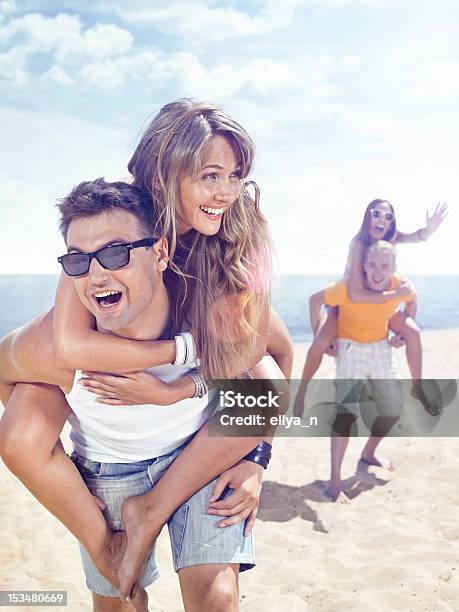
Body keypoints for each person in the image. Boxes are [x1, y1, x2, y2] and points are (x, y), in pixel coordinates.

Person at [0, 100, 292, 606]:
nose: (226, 191)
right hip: (112, 452)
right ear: (166, 172)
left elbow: (276, 358)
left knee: (263, 383)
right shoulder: (108, 234)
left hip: (195, 440)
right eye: (209, 175)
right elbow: (68, 346)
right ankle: (113, 551)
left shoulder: (235, 247)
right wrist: (179, 351)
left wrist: (255, 459)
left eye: (236, 176)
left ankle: (152, 509)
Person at [297, 241, 417, 502]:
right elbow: (314, 300)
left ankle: (368, 453)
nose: (377, 271)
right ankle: (336, 482)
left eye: (384, 266)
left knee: (394, 409)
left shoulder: (400, 284)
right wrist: (320, 333)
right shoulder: (346, 288)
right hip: (350, 348)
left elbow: (411, 302)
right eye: (372, 264)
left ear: (394, 268)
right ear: (363, 265)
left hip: (382, 347)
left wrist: (402, 335)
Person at [295, 199, 447, 400]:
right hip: (346, 303)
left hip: (378, 305)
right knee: (319, 343)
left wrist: (429, 230)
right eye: (377, 214)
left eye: (388, 216)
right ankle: (301, 392)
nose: (382, 219)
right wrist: (323, 334)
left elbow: (415, 237)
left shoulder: (390, 238)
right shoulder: (360, 244)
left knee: (412, 332)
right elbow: (356, 294)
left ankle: (417, 387)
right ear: (368, 216)